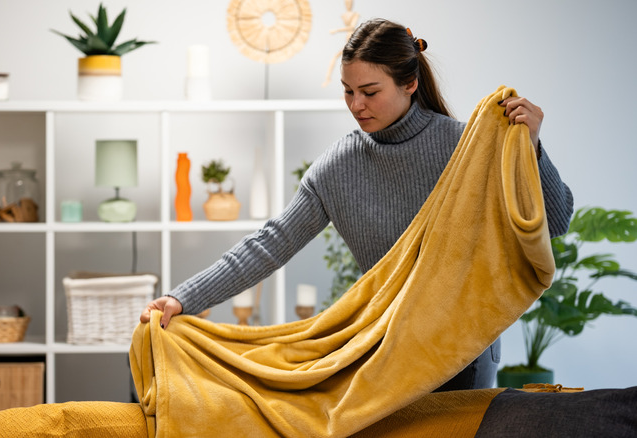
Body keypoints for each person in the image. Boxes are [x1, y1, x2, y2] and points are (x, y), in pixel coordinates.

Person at [140, 18, 574, 391]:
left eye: (369, 91)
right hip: (383, 349)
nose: (356, 105)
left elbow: (554, 222)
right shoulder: (339, 166)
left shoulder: (467, 146)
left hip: (465, 352)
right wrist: (183, 298)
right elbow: (269, 244)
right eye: (348, 91)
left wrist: (532, 148)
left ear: (410, 82)